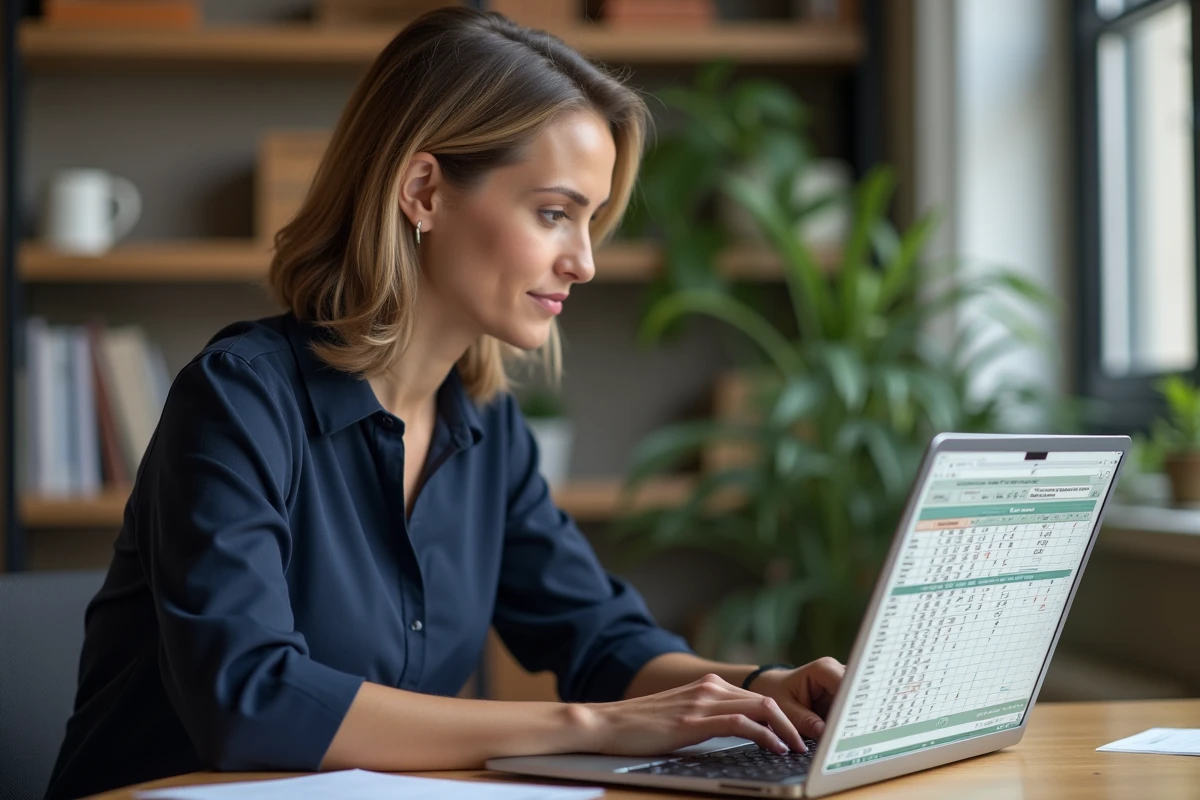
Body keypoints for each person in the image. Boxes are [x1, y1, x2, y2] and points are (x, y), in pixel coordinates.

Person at [44, 8, 844, 799]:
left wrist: (769, 687)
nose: (586, 262)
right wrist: (591, 728)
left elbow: (601, 638)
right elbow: (252, 698)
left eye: (591, 221)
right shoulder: (239, 399)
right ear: (424, 191)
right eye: (554, 213)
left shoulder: (485, 425)